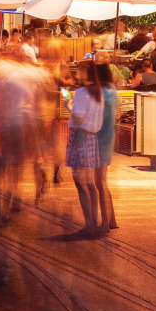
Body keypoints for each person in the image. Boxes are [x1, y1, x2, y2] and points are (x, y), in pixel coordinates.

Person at [65, 61, 103, 238]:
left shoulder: (80, 92)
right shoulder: (99, 92)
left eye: (79, 70)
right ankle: (94, 223)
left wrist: (69, 106)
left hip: (79, 137)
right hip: (92, 138)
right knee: (90, 183)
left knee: (80, 183)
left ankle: (88, 224)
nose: (76, 73)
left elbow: (79, 118)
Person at [95, 63, 118, 234]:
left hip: (99, 138)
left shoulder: (100, 93)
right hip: (108, 137)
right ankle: (112, 219)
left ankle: (104, 223)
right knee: (102, 181)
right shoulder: (112, 90)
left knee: (99, 182)